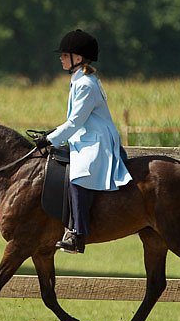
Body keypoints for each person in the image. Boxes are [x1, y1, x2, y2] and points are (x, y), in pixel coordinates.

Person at [34, 29, 132, 254]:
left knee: (78, 176)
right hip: (85, 137)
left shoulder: (86, 84)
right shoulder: (79, 80)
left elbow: (76, 121)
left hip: (96, 141)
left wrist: (49, 139)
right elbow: (74, 120)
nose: (60, 58)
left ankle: (78, 234)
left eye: (64, 54)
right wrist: (53, 133)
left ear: (77, 58)